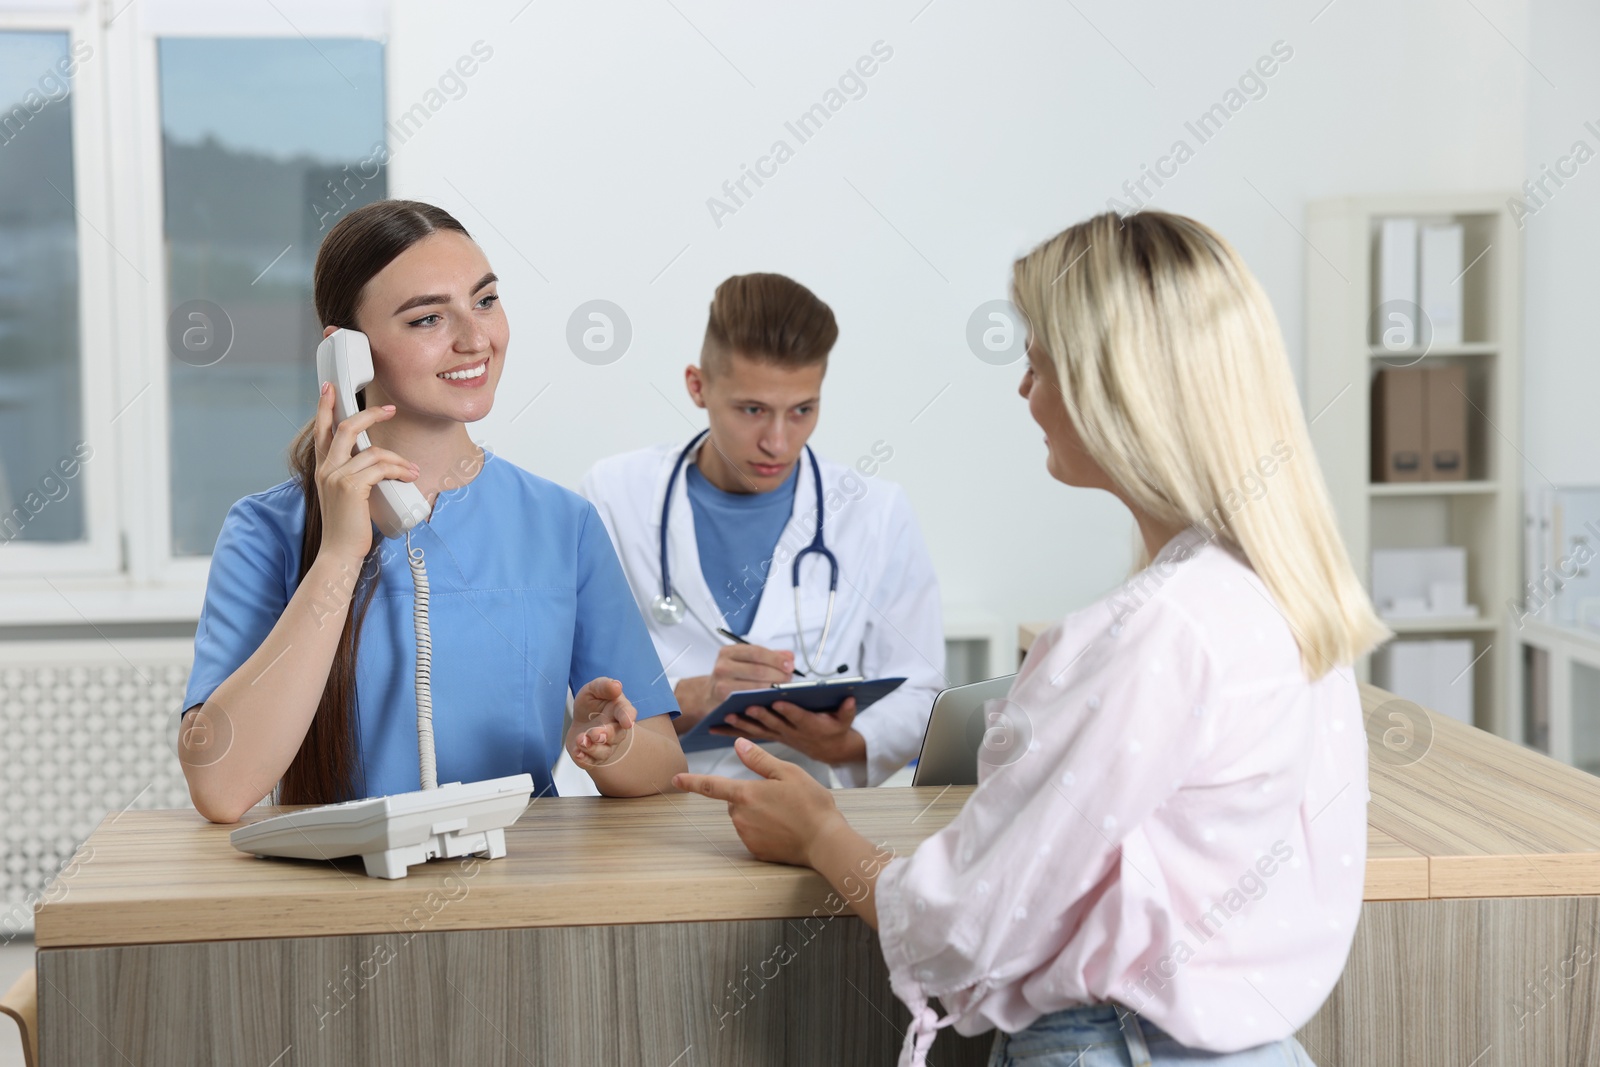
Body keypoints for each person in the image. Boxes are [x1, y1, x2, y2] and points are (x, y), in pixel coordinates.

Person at [674, 211, 1388, 1066]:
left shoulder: (1151, 633)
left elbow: (966, 929)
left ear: (1112, 387)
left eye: (1037, 362)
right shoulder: (1277, 594)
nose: (1024, 391)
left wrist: (819, 831)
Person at [178, 199, 686, 823]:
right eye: (427, 320)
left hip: (519, 891)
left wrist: (611, 747)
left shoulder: (563, 524)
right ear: (348, 354)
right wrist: (340, 554)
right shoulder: (264, 531)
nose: (475, 339)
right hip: (335, 899)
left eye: (486, 300)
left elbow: (665, 760)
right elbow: (221, 787)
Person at [581, 273, 944, 788]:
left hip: (809, 806)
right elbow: (578, 694)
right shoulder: (614, 494)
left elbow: (921, 690)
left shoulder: (876, 512)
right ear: (697, 386)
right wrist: (691, 697)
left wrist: (846, 742)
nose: (778, 441)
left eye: (802, 410)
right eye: (753, 410)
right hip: (650, 807)